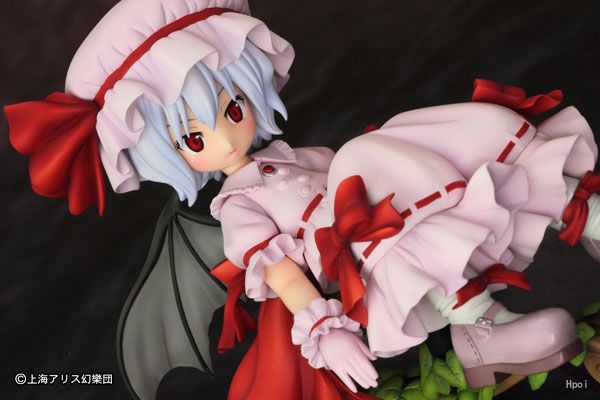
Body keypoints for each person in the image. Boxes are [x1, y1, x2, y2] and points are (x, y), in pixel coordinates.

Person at [5, 0, 598, 398]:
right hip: (352, 261)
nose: (226, 136)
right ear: (169, 155)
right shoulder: (237, 208)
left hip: (371, 212)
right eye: (193, 138)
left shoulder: (300, 157)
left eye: (233, 106)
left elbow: (350, 174)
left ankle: (580, 212)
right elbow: (283, 273)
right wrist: (325, 330)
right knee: (374, 185)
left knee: (422, 150)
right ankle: (482, 328)